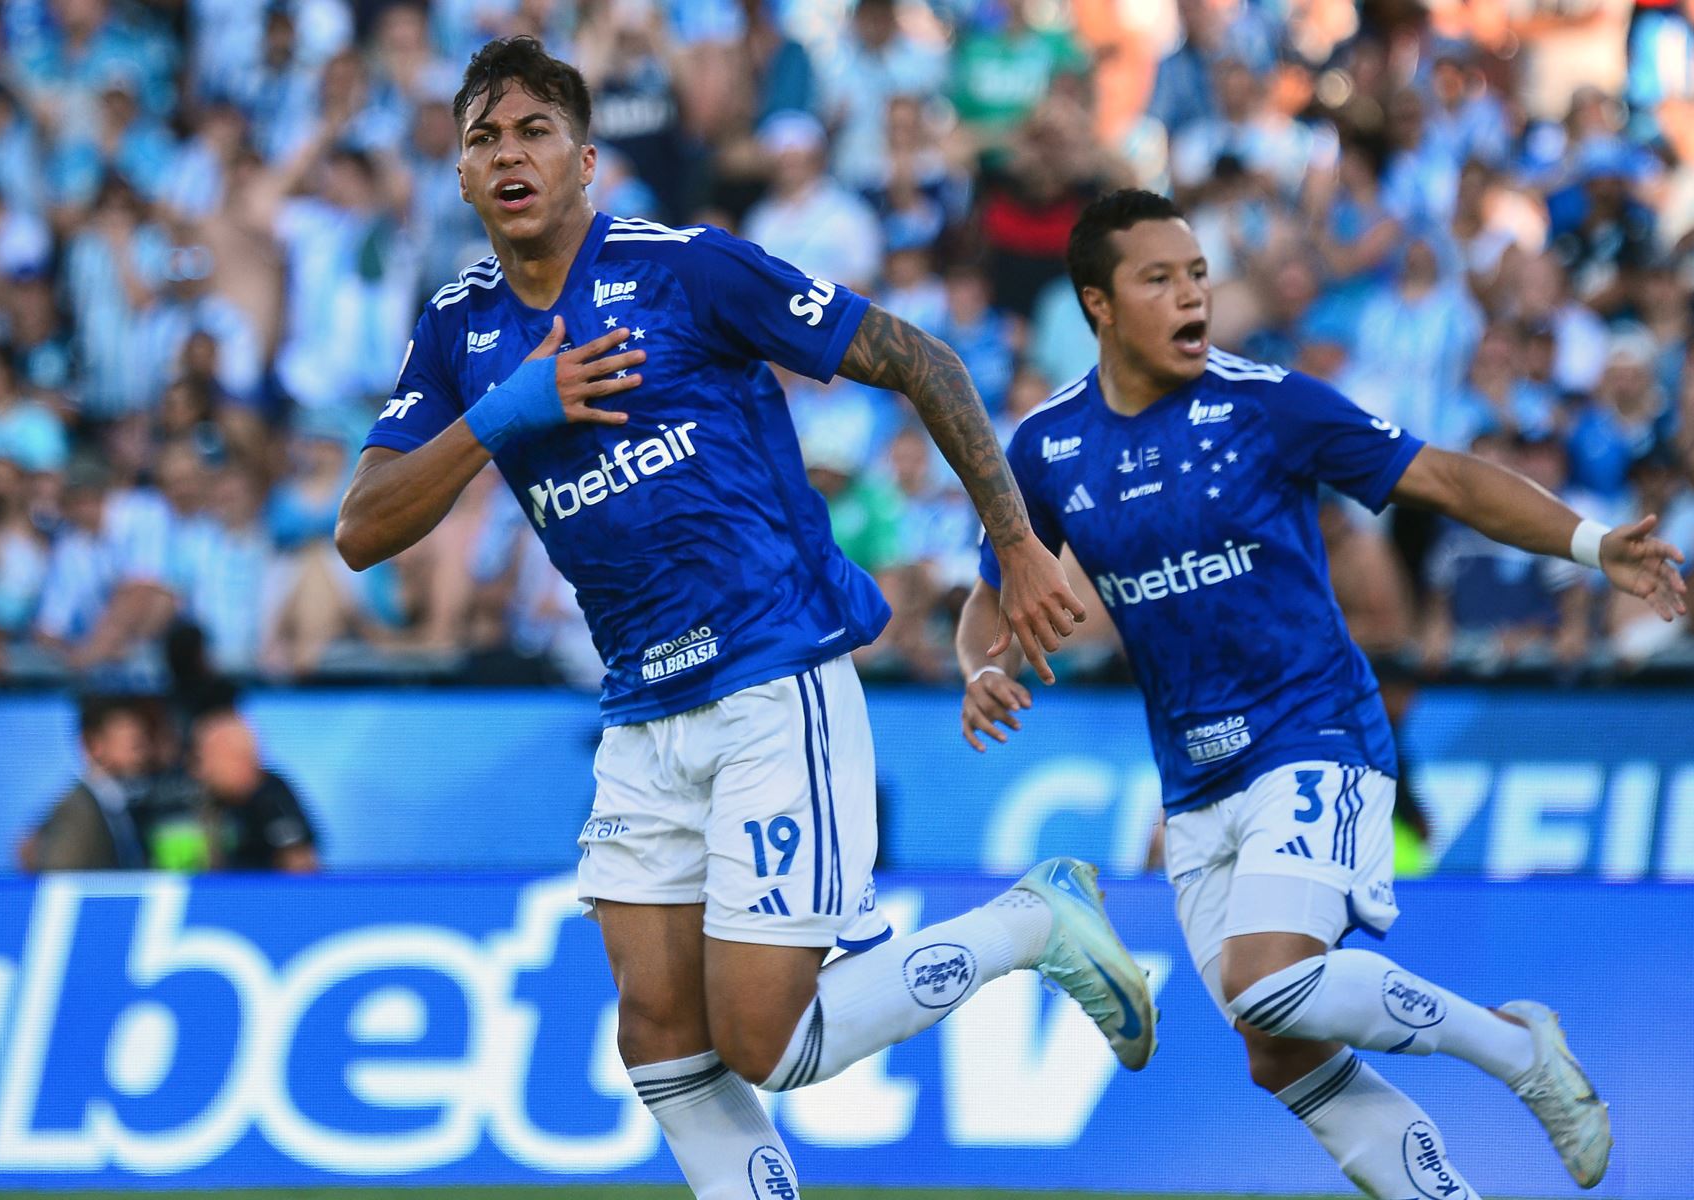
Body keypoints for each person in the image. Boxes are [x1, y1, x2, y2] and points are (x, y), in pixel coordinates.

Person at [334, 37, 1155, 1200]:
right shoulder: (459, 333)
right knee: (660, 1040)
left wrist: (1017, 544)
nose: (508, 154)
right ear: (461, 178)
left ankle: (1032, 922)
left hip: (773, 680)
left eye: (534, 132)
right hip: (640, 709)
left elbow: (917, 356)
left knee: (768, 1042)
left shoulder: (688, 270)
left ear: (586, 162)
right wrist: (507, 417)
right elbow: (363, 527)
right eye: (483, 137)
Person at [956, 190, 1685, 1199]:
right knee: (1276, 1047)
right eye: (1159, 278)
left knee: (1269, 980)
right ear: (1098, 305)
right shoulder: (1047, 447)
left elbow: (1445, 479)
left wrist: (1593, 543)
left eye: (1199, 273)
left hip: (1316, 734)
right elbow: (995, 587)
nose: (1191, 295)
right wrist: (982, 664)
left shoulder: (1267, 404)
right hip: (1193, 784)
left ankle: (1520, 1050)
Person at [22, 695, 153, 871]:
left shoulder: (117, 804)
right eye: (134, 745)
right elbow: (60, 882)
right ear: (93, 744)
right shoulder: (76, 810)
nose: (142, 755)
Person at [190, 710, 319, 871]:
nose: (200, 770)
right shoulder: (204, 798)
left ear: (236, 759)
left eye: (207, 758)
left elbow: (301, 865)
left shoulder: (273, 795)